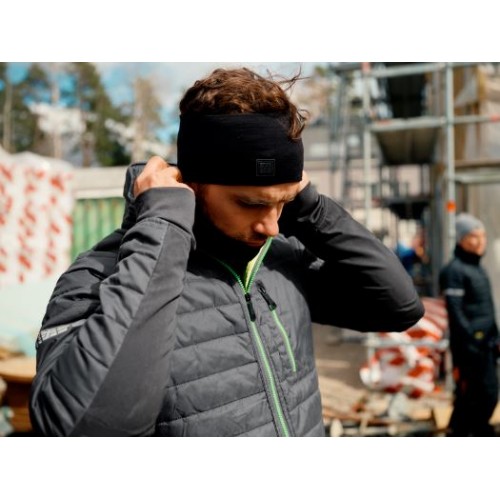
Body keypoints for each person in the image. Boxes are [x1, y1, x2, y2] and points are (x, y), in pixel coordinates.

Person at [29, 67, 424, 437]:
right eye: (250, 204)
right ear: (191, 185)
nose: (271, 226)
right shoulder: (99, 277)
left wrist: (311, 208)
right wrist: (163, 224)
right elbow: (84, 430)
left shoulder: (281, 257)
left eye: (284, 202)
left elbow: (398, 306)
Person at [439, 212, 499, 436]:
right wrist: (472, 340)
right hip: (470, 348)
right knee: (480, 395)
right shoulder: (454, 271)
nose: (480, 241)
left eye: (483, 236)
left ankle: (466, 431)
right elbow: (455, 313)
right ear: (461, 239)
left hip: (486, 345)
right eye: (474, 236)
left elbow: (486, 308)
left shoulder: (477, 268)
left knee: (478, 396)